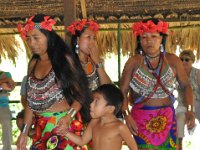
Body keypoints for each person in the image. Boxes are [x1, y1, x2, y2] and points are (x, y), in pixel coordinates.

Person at [16, 14, 91, 150]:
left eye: (36, 38)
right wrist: (24, 132)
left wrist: (69, 117)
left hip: (62, 127)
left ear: (48, 36)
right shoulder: (33, 64)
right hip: (40, 131)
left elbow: (81, 94)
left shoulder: (65, 60)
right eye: (28, 38)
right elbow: (30, 103)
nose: (31, 43)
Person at [120, 18, 195, 149]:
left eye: (154, 36)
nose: (149, 41)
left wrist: (189, 109)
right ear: (139, 40)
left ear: (162, 39)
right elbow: (122, 91)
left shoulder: (173, 60)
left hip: (168, 117)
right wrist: (126, 115)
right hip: (141, 120)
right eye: (144, 37)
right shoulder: (133, 62)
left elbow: (186, 85)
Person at [57, 84, 138, 150]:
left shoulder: (119, 127)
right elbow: (82, 141)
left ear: (110, 109)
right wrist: (66, 133)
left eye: (96, 102)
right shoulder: (94, 122)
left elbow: (134, 148)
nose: (91, 104)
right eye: (92, 100)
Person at [67, 19, 111, 91]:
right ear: (78, 40)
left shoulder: (97, 62)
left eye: (94, 38)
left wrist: (97, 62)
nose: (93, 42)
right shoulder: (68, 62)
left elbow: (107, 89)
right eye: (88, 37)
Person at [176, 50, 200, 150]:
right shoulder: (176, 73)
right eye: (181, 59)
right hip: (182, 104)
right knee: (179, 121)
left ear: (192, 61)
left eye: (187, 59)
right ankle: (179, 146)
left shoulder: (197, 73)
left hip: (197, 103)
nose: (184, 61)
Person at [0, 70, 15, 150]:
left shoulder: (6, 74)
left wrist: (6, 83)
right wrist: (2, 82)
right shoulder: (5, 77)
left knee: (7, 127)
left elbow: (11, 86)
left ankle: (7, 148)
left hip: (3, 106)